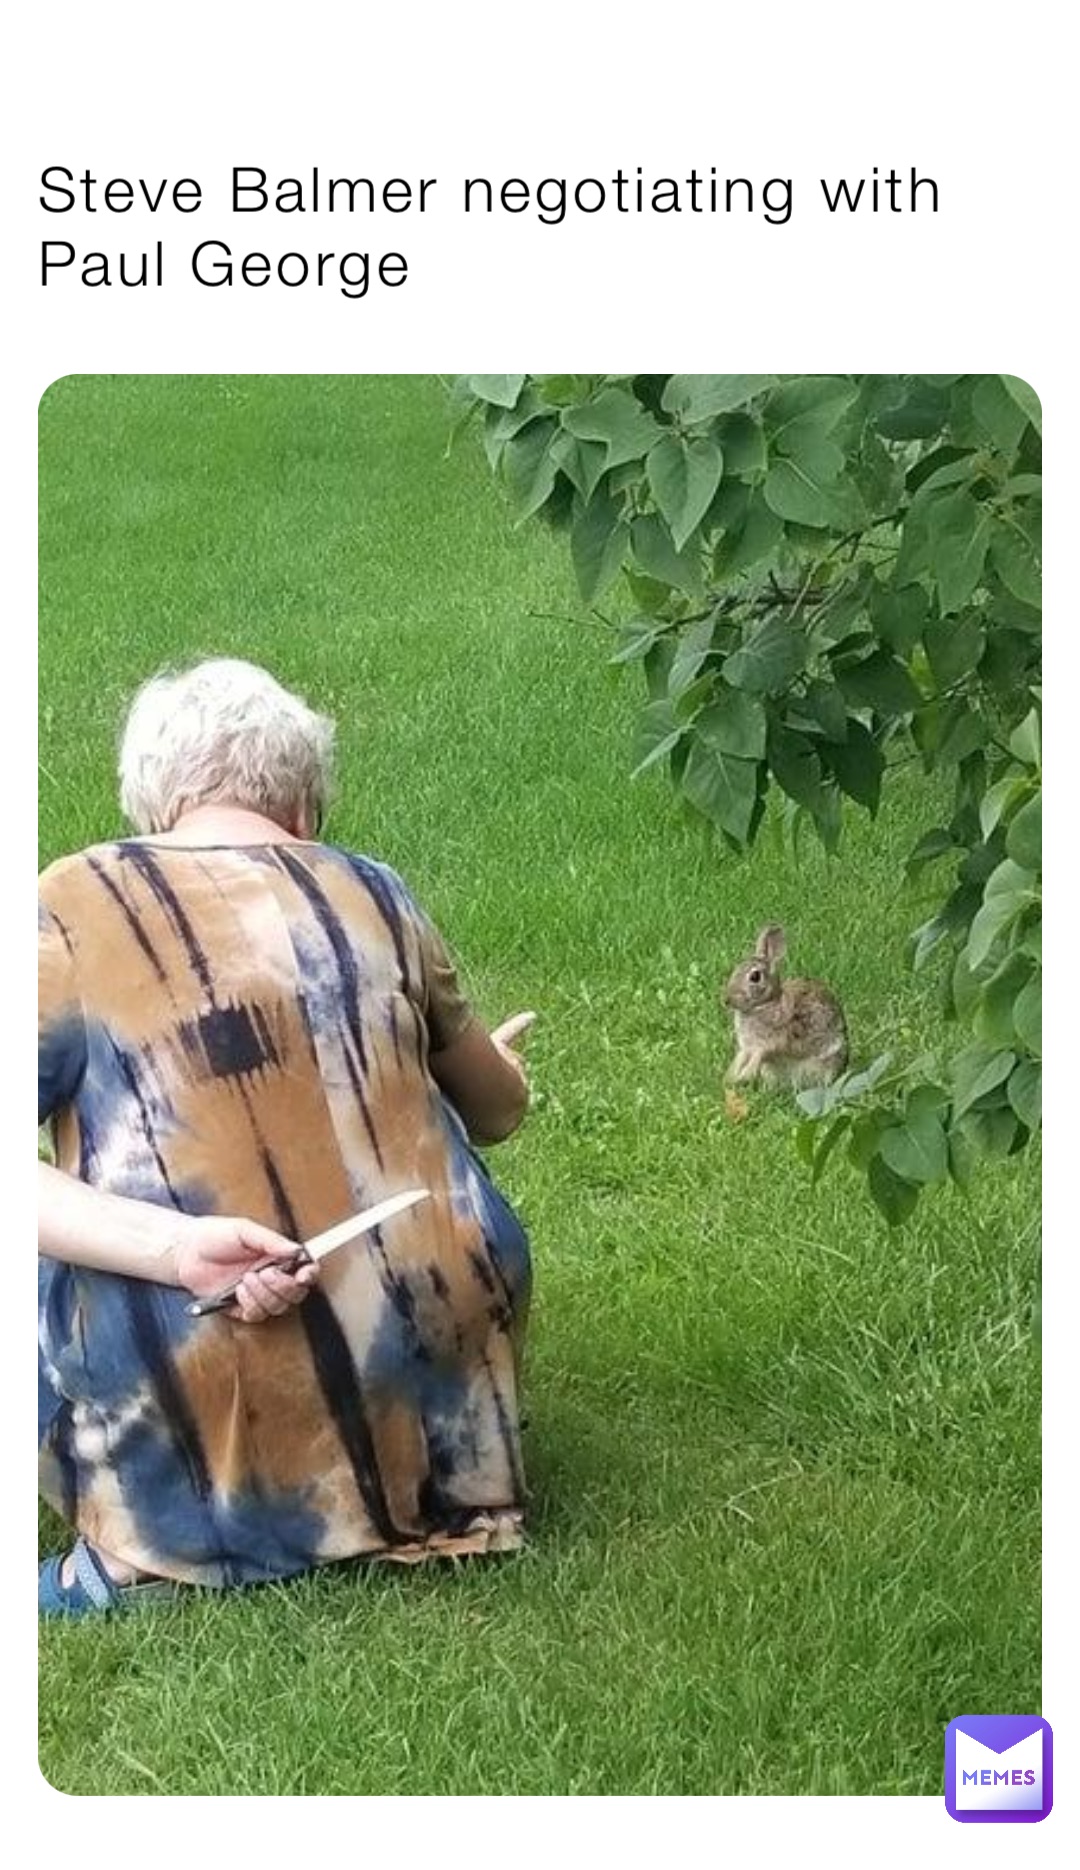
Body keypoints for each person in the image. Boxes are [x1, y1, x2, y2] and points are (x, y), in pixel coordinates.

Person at [38, 658, 535, 1615]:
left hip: (203, 1354)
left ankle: (144, 1551)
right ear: (303, 808)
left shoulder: (71, 903)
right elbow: (498, 1111)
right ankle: (427, 1506)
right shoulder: (379, 892)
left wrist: (177, 1246)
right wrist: (492, 1063)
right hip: (441, 1368)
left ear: (162, 805)